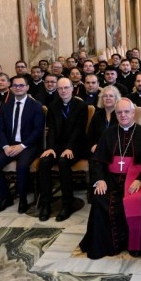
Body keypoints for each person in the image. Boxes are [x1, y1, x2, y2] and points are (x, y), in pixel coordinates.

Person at [80, 99, 141, 259]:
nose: (123, 115)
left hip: (135, 180)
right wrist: (100, 180)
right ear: (115, 114)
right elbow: (97, 160)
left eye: (127, 112)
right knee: (99, 198)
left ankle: (136, 245)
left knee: (138, 200)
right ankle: (105, 245)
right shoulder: (108, 133)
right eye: (119, 112)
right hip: (110, 180)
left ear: (133, 113)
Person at [0, 75, 45, 213]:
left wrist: (22, 146)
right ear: (11, 88)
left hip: (28, 145)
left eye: (21, 85)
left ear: (27, 87)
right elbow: (0, 129)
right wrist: (5, 146)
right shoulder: (6, 106)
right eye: (15, 86)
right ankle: (5, 197)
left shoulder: (36, 106)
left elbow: (38, 131)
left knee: (22, 167)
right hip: (9, 145)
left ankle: (23, 199)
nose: (18, 88)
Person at [37, 78, 88, 222]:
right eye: (60, 88)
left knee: (63, 161)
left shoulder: (81, 106)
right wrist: (50, 148)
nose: (63, 91)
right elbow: (51, 130)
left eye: (66, 88)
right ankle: (46, 204)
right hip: (58, 145)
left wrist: (70, 148)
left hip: (76, 145)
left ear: (72, 88)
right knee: (44, 161)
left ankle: (67, 204)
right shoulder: (53, 106)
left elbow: (79, 131)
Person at [87, 85, 121, 153]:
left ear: (116, 99)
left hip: (116, 151)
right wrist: (93, 146)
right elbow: (90, 136)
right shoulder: (97, 115)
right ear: (102, 99)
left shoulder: (121, 115)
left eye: (111, 96)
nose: (108, 98)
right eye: (105, 96)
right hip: (98, 150)